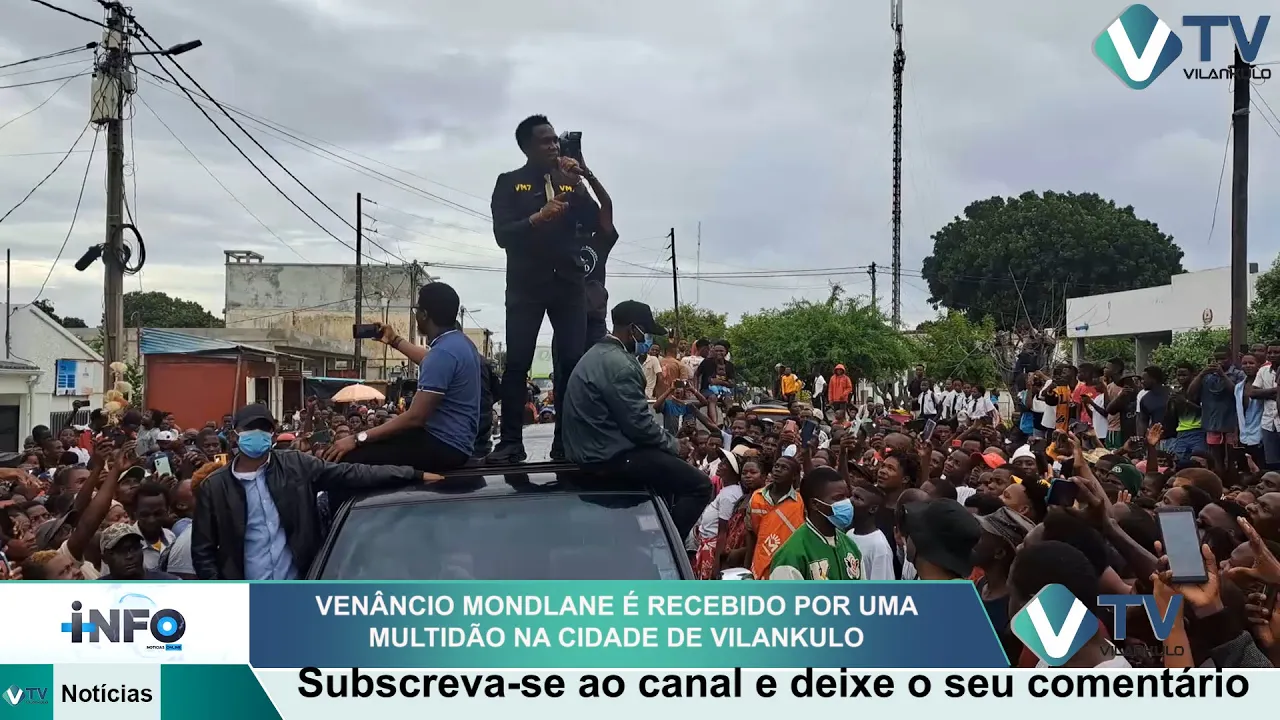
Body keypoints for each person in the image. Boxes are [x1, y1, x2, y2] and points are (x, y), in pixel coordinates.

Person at [191, 404, 438, 580]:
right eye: (249, 428)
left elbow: (352, 474)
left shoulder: (296, 465)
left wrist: (412, 474)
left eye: (263, 428)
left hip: (301, 587)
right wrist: (222, 595)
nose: (257, 434)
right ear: (235, 434)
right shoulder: (215, 487)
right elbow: (203, 551)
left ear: (272, 434)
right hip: (245, 598)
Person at [488, 115, 602, 464]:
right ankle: (511, 442)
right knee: (517, 363)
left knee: (571, 363)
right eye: (545, 141)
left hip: (569, 284)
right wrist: (538, 217)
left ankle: (565, 441)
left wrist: (580, 182)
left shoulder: (569, 181)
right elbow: (502, 235)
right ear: (526, 147)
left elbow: (595, 221)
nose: (553, 146)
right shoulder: (509, 183)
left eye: (555, 140)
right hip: (526, 286)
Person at [561, 300, 712, 542]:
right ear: (633, 329)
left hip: (593, 449)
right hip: (610, 456)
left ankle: (650, 532)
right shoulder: (620, 364)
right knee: (701, 486)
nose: (648, 340)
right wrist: (675, 445)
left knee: (666, 477)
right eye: (646, 333)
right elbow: (640, 426)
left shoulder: (596, 354)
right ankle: (664, 546)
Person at [327, 282, 479, 473]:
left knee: (349, 459)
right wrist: (394, 340)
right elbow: (429, 360)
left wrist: (356, 438)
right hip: (456, 443)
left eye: (417, 309)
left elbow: (415, 418)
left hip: (443, 445)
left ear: (424, 314)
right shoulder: (460, 343)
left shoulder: (443, 354)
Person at [768, 466, 864, 580]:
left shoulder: (851, 546)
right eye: (838, 498)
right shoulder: (791, 556)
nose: (847, 503)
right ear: (815, 504)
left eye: (847, 496)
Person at [900, 498, 981, 580]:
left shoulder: (929, 588)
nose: (907, 536)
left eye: (913, 529)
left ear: (924, 544)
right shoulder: (961, 587)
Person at [98, 524, 179, 581]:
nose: (129, 556)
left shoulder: (169, 585)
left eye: (135, 548)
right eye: (120, 551)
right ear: (105, 558)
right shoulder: (96, 591)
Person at [848, 484, 894, 580]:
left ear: (873, 509)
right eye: (852, 495)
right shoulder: (849, 534)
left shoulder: (879, 547)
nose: (850, 500)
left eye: (857, 498)